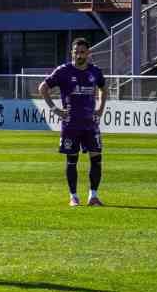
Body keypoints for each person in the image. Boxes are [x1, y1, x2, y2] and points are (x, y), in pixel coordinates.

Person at [40, 38, 107, 207]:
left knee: (96, 159)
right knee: (72, 160)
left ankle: (93, 196)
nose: (79, 55)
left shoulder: (95, 72)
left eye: (82, 52)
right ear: (72, 53)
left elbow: (103, 88)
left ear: (88, 53)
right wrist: (55, 109)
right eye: (76, 52)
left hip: (91, 124)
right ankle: (74, 196)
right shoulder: (63, 71)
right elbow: (43, 87)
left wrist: (100, 109)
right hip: (71, 124)